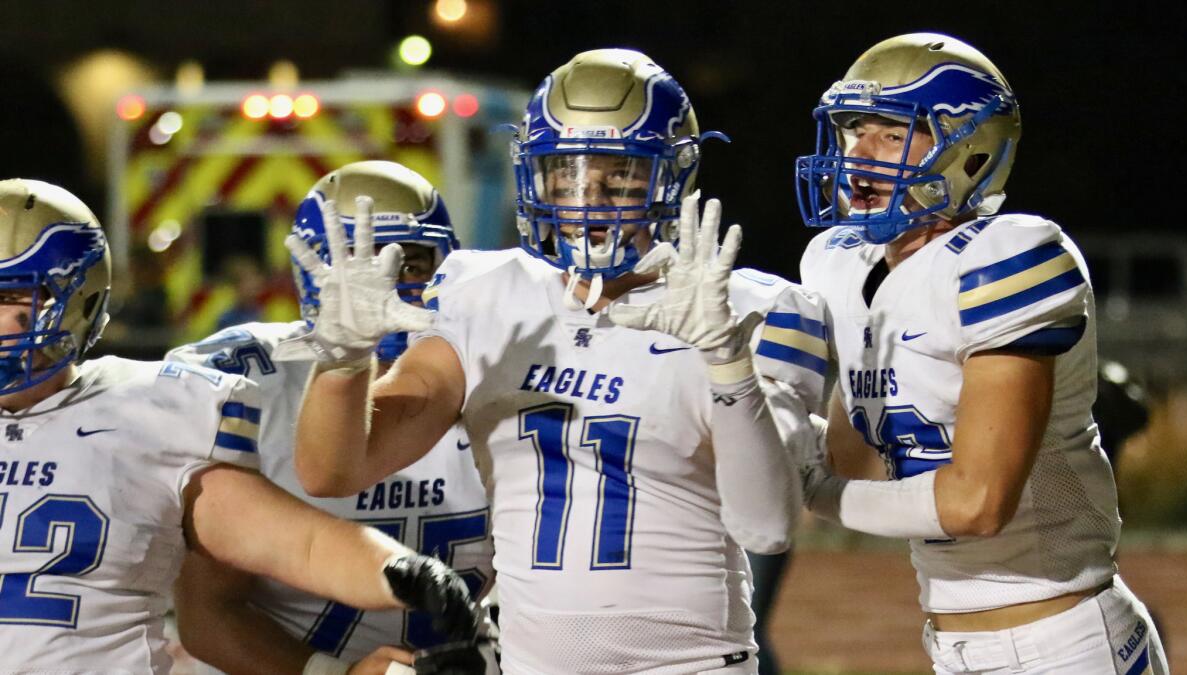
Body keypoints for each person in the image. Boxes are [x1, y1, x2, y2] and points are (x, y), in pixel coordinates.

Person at [284, 49, 827, 674]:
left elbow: (766, 527)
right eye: (563, 174)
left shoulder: (758, 308)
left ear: (673, 175)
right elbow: (333, 469)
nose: (585, 197)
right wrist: (345, 362)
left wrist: (727, 359)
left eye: (618, 173)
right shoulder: (486, 292)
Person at [793, 33, 1168, 673]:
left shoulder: (1008, 258)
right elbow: (857, 466)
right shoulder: (841, 266)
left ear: (968, 150)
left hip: (1061, 640)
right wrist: (742, 401)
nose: (857, 155)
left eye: (889, 134)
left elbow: (978, 505)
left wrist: (806, 486)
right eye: (852, 131)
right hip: (955, 642)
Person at [0, 178, 477, 673]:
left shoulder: (147, 409)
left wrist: (400, 572)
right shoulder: (214, 374)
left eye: (10, 296)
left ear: (79, 300)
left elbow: (297, 542)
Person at [166, 161, 496, 675]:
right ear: (313, 275)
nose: (386, 288)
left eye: (410, 264)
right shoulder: (257, 385)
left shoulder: (496, 375)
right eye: (357, 269)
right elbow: (210, 610)